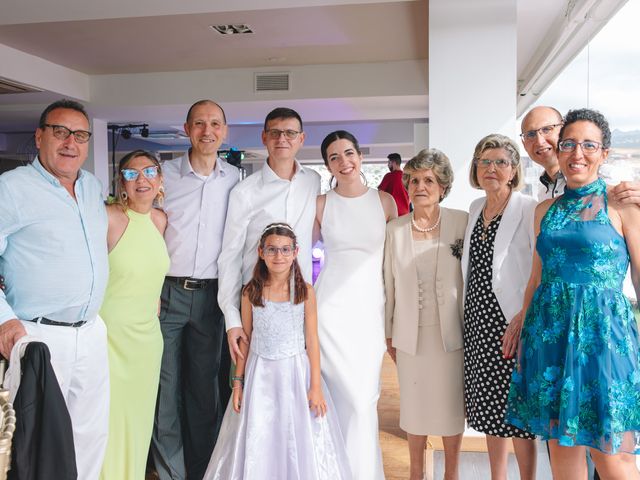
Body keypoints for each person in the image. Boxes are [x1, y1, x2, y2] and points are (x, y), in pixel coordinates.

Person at [505, 109, 640, 479]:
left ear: (604, 153)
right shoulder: (543, 211)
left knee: (614, 457)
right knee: (564, 455)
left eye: (588, 145)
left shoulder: (622, 205)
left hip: (604, 342)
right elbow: (536, 279)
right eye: (568, 144)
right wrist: (522, 328)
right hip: (550, 340)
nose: (577, 153)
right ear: (559, 151)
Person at [0, 99, 109, 480]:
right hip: (38, 334)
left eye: (79, 135)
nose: (70, 143)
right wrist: (4, 320)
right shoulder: (10, 189)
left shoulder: (93, 187)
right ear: (40, 136)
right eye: (60, 132)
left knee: (91, 435)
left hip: (92, 331)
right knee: (37, 445)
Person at [203, 223, 351, 480]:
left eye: (285, 250)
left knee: (294, 436)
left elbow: (312, 340)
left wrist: (315, 386)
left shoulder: (305, 291)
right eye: (272, 250)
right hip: (260, 375)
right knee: (260, 434)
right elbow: (246, 341)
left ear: (296, 252)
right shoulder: (251, 292)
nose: (278, 256)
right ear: (261, 252)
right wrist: (238, 383)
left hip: (295, 373)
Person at [153, 100, 240, 480]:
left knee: (205, 389)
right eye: (200, 123)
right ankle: (170, 471)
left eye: (215, 124)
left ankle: (204, 470)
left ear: (225, 131)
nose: (208, 131)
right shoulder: (163, 175)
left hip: (213, 298)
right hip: (165, 294)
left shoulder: (236, 181)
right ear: (186, 128)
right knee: (165, 386)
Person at [314, 130, 397, 479]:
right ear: (328, 166)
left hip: (369, 311)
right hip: (329, 312)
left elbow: (396, 262)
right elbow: (299, 259)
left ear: (361, 156)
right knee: (334, 402)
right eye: (334, 157)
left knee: (363, 402)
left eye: (348, 153)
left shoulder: (384, 202)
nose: (344, 162)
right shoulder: (321, 204)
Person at [384, 149, 467, 480]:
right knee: (414, 407)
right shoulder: (394, 229)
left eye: (429, 180)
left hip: (451, 333)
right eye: (414, 180)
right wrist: (389, 332)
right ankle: (416, 472)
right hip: (409, 333)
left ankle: (452, 473)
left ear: (443, 186)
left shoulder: (462, 221)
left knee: (449, 408)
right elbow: (388, 284)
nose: (420, 186)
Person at [460, 133, 538, 480]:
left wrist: (524, 316)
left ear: (513, 169)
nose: (491, 168)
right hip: (478, 320)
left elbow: (540, 266)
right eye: (484, 162)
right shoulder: (475, 209)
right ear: (476, 169)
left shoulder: (528, 207)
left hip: (510, 320)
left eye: (500, 162)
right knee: (491, 408)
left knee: (517, 413)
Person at [218, 107, 320, 363]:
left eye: (289, 133)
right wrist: (232, 320)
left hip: (299, 300)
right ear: (264, 138)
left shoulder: (313, 181)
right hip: (257, 304)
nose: (282, 139)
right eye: (274, 133)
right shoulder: (244, 192)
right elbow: (229, 256)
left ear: (301, 138)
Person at [99, 150, 169, 479]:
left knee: (139, 420)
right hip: (110, 338)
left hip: (147, 341)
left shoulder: (160, 220)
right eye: (131, 174)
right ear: (121, 182)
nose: (141, 180)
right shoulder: (108, 218)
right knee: (107, 420)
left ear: (160, 179)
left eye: (149, 172)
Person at [520, 105, 640, 204]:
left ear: (563, 131)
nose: (540, 141)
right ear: (524, 143)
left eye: (546, 129)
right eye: (530, 134)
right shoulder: (543, 190)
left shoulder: (609, 178)